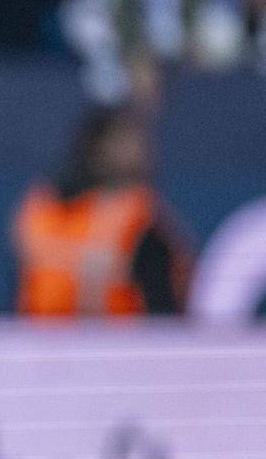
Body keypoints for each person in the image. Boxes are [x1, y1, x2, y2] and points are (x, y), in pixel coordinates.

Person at [14, 105, 191, 317]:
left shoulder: (142, 215)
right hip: (40, 338)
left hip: (117, 341)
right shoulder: (44, 204)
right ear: (98, 147)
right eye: (124, 141)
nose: (139, 151)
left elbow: (161, 298)